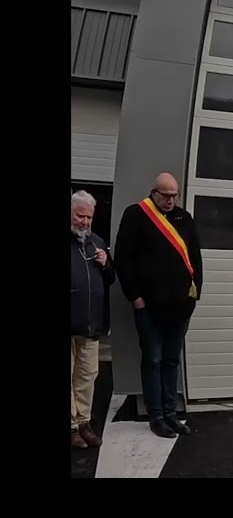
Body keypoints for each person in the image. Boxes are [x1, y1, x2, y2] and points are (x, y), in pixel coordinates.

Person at [114, 173, 204, 438]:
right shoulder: (136, 215)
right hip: (149, 308)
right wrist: (135, 297)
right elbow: (123, 258)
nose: (170, 200)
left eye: (174, 195)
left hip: (179, 308)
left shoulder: (184, 219)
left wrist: (194, 296)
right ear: (154, 193)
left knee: (171, 360)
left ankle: (171, 413)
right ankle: (156, 417)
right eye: (165, 195)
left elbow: (196, 260)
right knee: (152, 359)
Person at [70, 190, 114, 449]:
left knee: (88, 374)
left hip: (90, 323)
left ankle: (84, 421)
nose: (84, 221)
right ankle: (72, 427)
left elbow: (111, 278)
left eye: (88, 217)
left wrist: (107, 264)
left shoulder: (97, 242)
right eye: (79, 215)